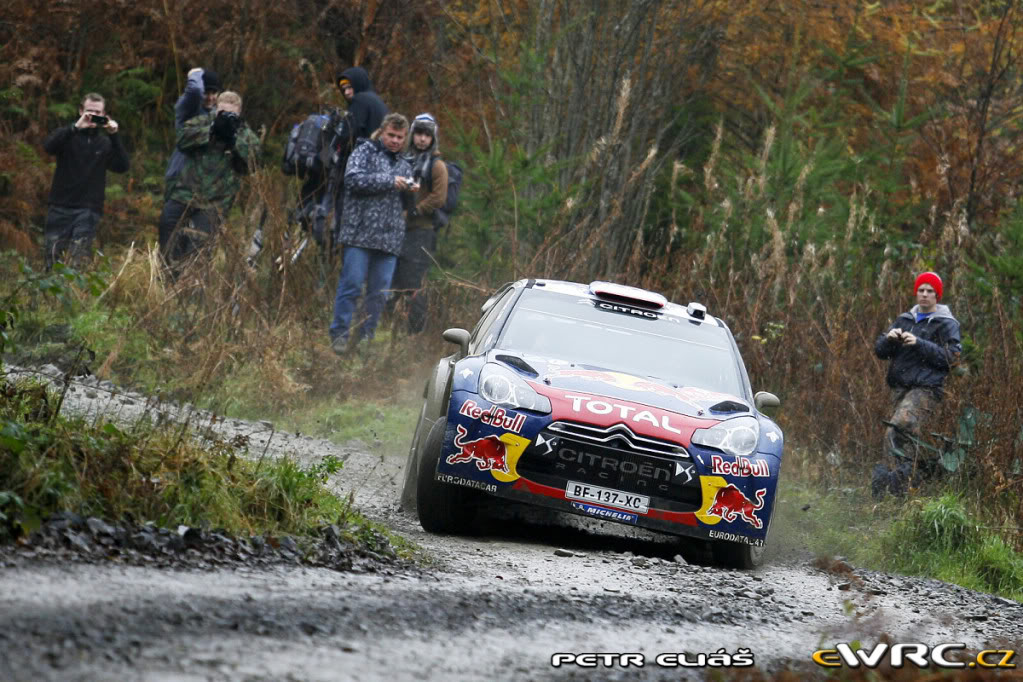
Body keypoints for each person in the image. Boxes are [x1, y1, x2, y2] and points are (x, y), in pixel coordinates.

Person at [872, 271, 962, 498]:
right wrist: (888, 339)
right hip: (899, 387)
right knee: (900, 438)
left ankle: (899, 483)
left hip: (926, 388)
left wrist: (920, 343)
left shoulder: (946, 323)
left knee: (899, 426)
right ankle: (899, 489)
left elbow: (952, 358)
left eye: (930, 291)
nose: (924, 295)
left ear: (937, 295)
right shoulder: (905, 319)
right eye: (921, 290)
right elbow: (881, 352)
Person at [329, 113, 414, 354]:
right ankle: (340, 334)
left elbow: (407, 204)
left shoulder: (406, 164)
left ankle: (365, 338)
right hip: (359, 234)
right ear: (382, 132)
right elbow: (352, 180)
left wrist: (411, 190)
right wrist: (389, 181)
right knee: (352, 285)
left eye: (400, 137)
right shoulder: (364, 151)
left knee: (379, 294)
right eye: (391, 135)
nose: (396, 140)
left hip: (389, 240)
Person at [161, 91, 260, 276]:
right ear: (216, 109)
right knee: (169, 242)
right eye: (223, 113)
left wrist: (233, 141)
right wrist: (212, 130)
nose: (227, 117)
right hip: (183, 193)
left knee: (197, 254)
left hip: (215, 202)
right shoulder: (202, 122)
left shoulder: (245, 133)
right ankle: (165, 289)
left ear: (239, 113)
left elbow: (253, 163)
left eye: (232, 114)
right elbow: (182, 138)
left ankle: (190, 299)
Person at [42, 92, 130, 270]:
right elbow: (48, 146)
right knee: (52, 260)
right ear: (81, 110)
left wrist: (114, 135)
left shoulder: (104, 143)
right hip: (59, 206)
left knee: (77, 262)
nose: (93, 116)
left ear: (104, 115)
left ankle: (74, 295)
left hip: (88, 210)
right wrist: (75, 127)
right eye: (89, 111)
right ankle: (50, 297)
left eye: (98, 112)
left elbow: (122, 166)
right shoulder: (68, 136)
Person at [390, 113, 447, 334]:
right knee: (394, 279)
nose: (422, 139)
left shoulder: (437, 166)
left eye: (427, 135)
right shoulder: (403, 160)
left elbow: (439, 198)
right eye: (419, 134)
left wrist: (415, 210)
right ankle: (390, 328)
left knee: (414, 283)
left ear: (433, 138)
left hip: (422, 230)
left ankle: (414, 332)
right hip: (397, 228)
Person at [159, 67, 221, 259]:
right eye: (206, 92)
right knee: (170, 247)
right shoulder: (188, 110)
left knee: (197, 253)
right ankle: (168, 286)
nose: (209, 97)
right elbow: (194, 92)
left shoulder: (221, 117)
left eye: (214, 93)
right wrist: (194, 75)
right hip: (179, 188)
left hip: (206, 194)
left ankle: (188, 288)